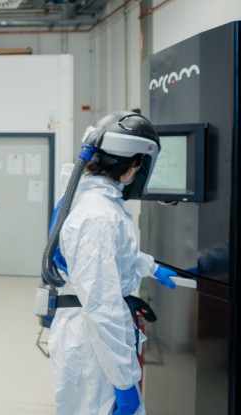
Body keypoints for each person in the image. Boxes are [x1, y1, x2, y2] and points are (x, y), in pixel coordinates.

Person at [46, 111, 177, 415]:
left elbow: (108, 257)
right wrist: (125, 382)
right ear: (134, 163)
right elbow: (102, 307)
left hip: (95, 341)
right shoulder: (97, 215)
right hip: (95, 348)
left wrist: (150, 267)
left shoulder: (92, 202)